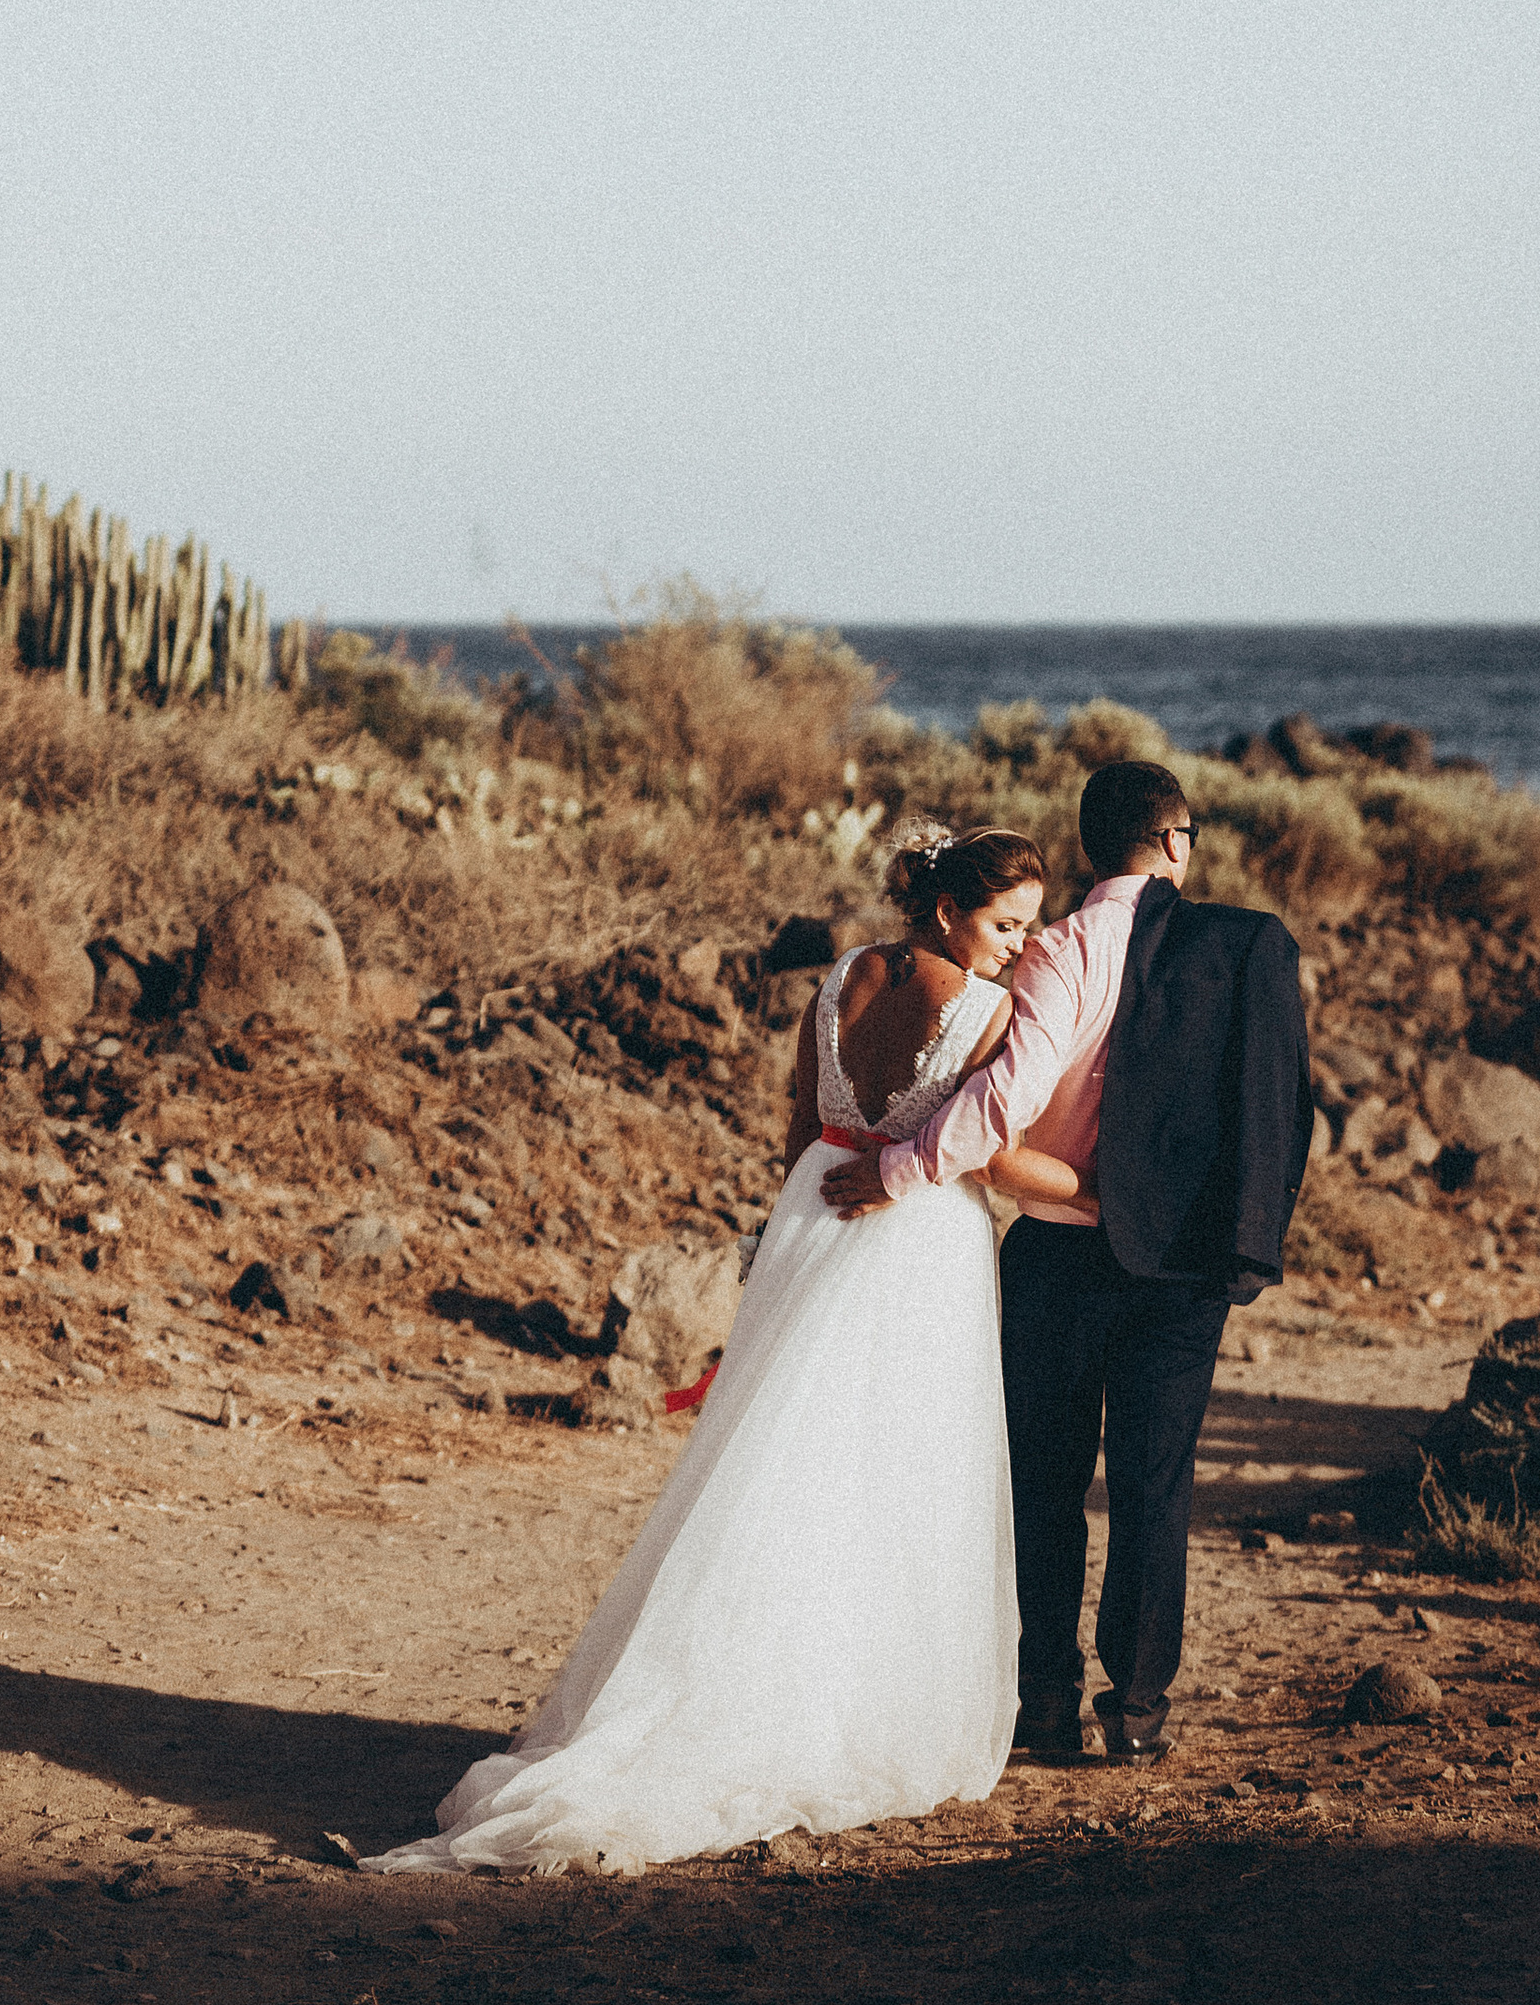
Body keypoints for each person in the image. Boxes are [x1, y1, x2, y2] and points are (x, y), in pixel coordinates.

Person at [367, 831, 1067, 1873]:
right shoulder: (985, 1010)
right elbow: (988, 1154)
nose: (1019, 945)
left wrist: (782, 1229)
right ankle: (837, 1709)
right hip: (912, 1239)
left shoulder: (843, 975)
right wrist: (1096, 1192)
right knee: (892, 1472)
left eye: (1028, 927)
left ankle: (718, 1682)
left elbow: (801, 1119)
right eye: (1005, 924)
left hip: (810, 1210)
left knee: (773, 1453)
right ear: (945, 909)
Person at [823, 756, 1313, 1763]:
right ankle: (1135, 1713)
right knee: (1154, 1492)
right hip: (1180, 1265)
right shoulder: (1246, 947)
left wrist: (901, 1169)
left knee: (1042, 1489)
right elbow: (1280, 1107)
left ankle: (1043, 1703)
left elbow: (1008, 1099)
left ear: (1090, 852)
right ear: (1175, 843)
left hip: (1056, 1254)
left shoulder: (1059, 949)